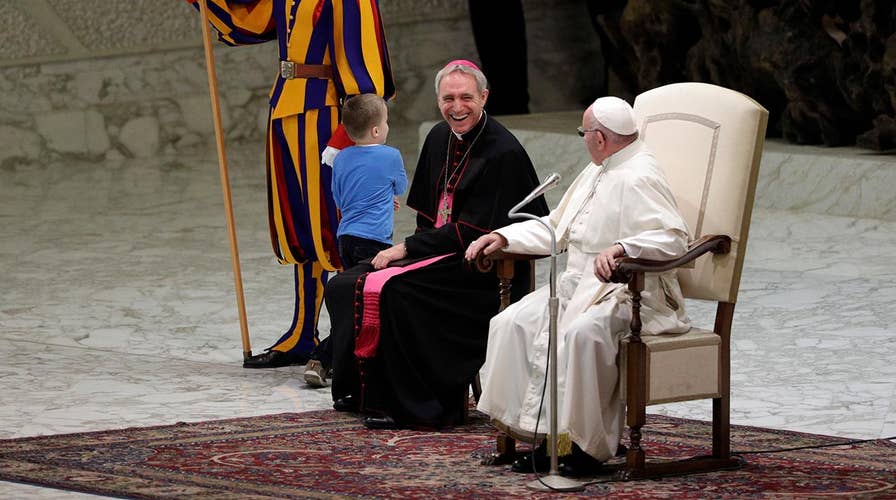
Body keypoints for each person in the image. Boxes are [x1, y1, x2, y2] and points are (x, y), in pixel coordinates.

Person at [464, 96, 691, 475]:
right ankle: (549, 440)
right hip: (578, 286)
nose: (583, 139)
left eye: (584, 133)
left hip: (630, 293)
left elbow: (673, 239)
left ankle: (588, 449)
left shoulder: (640, 175)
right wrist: (504, 238)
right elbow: (557, 228)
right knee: (513, 322)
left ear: (600, 138)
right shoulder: (598, 169)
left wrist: (624, 247)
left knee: (582, 334)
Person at [324, 60, 550, 429]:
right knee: (343, 284)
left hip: (481, 270)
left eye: (466, 98)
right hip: (435, 254)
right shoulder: (438, 137)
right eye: (448, 98)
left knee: (397, 292)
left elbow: (476, 229)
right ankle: (360, 392)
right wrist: (415, 249)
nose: (456, 107)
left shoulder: (502, 151)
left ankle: (413, 403)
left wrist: (408, 250)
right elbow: (428, 214)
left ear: (484, 97)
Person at [186, 0, 395, 368]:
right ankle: (303, 333)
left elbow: (363, 62)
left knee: (339, 226)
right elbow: (249, 24)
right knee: (301, 226)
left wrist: (355, 135)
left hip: (328, 115)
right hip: (285, 107)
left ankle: (353, 337)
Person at [302, 94, 407, 387]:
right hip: (375, 241)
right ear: (376, 130)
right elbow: (401, 185)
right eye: (386, 122)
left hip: (346, 237)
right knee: (369, 304)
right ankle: (323, 358)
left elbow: (338, 196)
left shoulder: (343, 157)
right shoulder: (391, 155)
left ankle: (343, 358)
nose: (387, 126)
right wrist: (387, 195)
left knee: (355, 300)